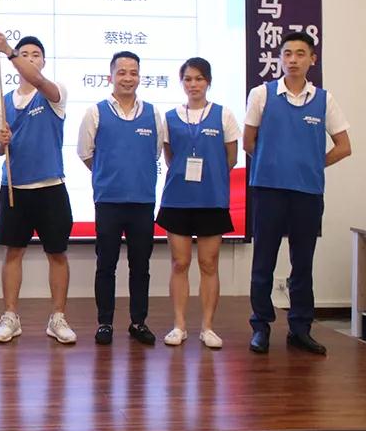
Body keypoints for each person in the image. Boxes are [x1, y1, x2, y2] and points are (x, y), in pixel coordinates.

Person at [245, 31, 351, 355]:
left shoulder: (324, 99)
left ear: (312, 59)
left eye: (300, 53)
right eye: (287, 53)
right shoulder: (261, 94)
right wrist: (273, 163)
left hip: (307, 193)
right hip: (269, 191)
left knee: (302, 262)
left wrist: (311, 164)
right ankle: (261, 327)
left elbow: (344, 146)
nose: (293, 60)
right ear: (280, 58)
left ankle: (300, 329)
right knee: (263, 261)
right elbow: (249, 141)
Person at [0, 32, 78, 345]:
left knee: (57, 254)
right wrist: (1, 142)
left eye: (34, 54)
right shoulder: (3, 101)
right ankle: (10, 317)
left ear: (43, 61)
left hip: (50, 187)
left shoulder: (54, 93)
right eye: (23, 53)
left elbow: (37, 80)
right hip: (14, 187)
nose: (28, 58)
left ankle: (58, 318)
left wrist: (9, 51)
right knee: (13, 252)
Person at [77, 50, 165, 346]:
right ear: (111, 76)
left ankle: (138, 322)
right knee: (106, 264)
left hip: (142, 202)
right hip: (108, 202)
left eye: (133, 73)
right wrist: (109, 175)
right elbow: (85, 153)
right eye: (122, 72)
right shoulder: (96, 112)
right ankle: (105, 323)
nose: (128, 78)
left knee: (141, 266)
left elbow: (155, 154)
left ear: (140, 77)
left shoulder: (153, 113)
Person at [157, 58, 240, 349]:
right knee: (179, 263)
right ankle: (179, 325)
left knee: (209, 263)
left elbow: (231, 158)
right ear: (182, 83)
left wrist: (211, 177)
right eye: (188, 79)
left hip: (211, 199)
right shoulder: (169, 118)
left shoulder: (223, 115)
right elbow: (170, 158)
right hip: (178, 199)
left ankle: (207, 327)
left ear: (208, 82)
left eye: (199, 79)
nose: (193, 84)